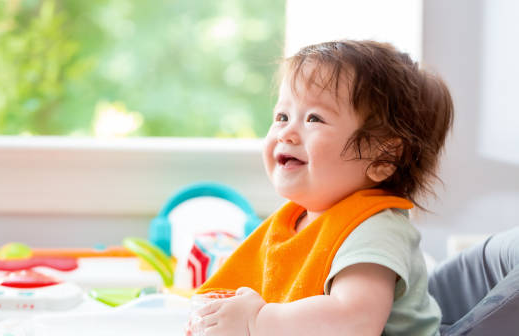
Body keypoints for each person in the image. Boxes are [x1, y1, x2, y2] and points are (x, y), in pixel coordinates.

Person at [189, 40, 454, 335]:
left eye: (314, 118)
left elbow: (355, 321)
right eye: (282, 116)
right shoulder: (299, 221)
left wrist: (256, 320)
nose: (287, 133)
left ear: (384, 157)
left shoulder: (375, 228)